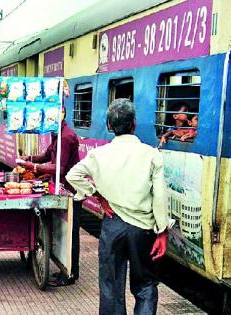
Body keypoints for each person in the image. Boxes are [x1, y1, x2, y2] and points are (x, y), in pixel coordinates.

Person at [66, 99, 170, 315]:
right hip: (143, 229)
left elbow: (72, 175)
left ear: (109, 126)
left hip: (113, 227)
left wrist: (98, 195)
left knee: (111, 286)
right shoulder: (152, 154)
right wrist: (162, 233)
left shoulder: (98, 155)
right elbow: (160, 198)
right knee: (145, 285)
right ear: (134, 123)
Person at [18, 105, 80, 286]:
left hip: (71, 191)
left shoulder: (67, 137)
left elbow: (59, 167)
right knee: (62, 231)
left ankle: (71, 274)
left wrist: (34, 168)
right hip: (60, 188)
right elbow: (47, 156)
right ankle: (63, 268)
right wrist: (30, 159)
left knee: (71, 234)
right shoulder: (57, 134)